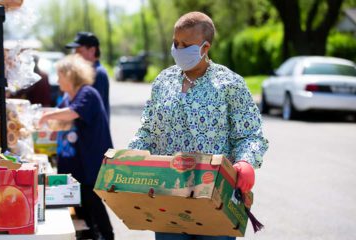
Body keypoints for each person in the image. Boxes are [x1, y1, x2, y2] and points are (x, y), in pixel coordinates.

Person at [128, 12, 269, 240]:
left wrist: (246, 161)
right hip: (167, 194)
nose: (178, 49)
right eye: (175, 43)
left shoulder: (230, 84)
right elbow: (147, 130)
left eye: (186, 45)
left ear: (205, 48)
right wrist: (131, 156)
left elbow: (251, 134)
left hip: (214, 196)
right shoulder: (163, 81)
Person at [39, 54, 114, 240]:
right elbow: (61, 119)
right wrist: (43, 117)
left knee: (93, 204)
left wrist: (46, 116)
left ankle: (107, 236)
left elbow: (71, 114)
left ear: (70, 74)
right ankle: (91, 235)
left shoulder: (87, 93)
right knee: (81, 206)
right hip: (76, 166)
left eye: (59, 75)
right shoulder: (69, 97)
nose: (57, 80)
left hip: (90, 163)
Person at [66, 32, 110, 120]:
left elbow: (87, 109)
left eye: (79, 51)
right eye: (75, 52)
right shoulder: (88, 71)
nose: (75, 55)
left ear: (92, 50)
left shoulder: (97, 73)